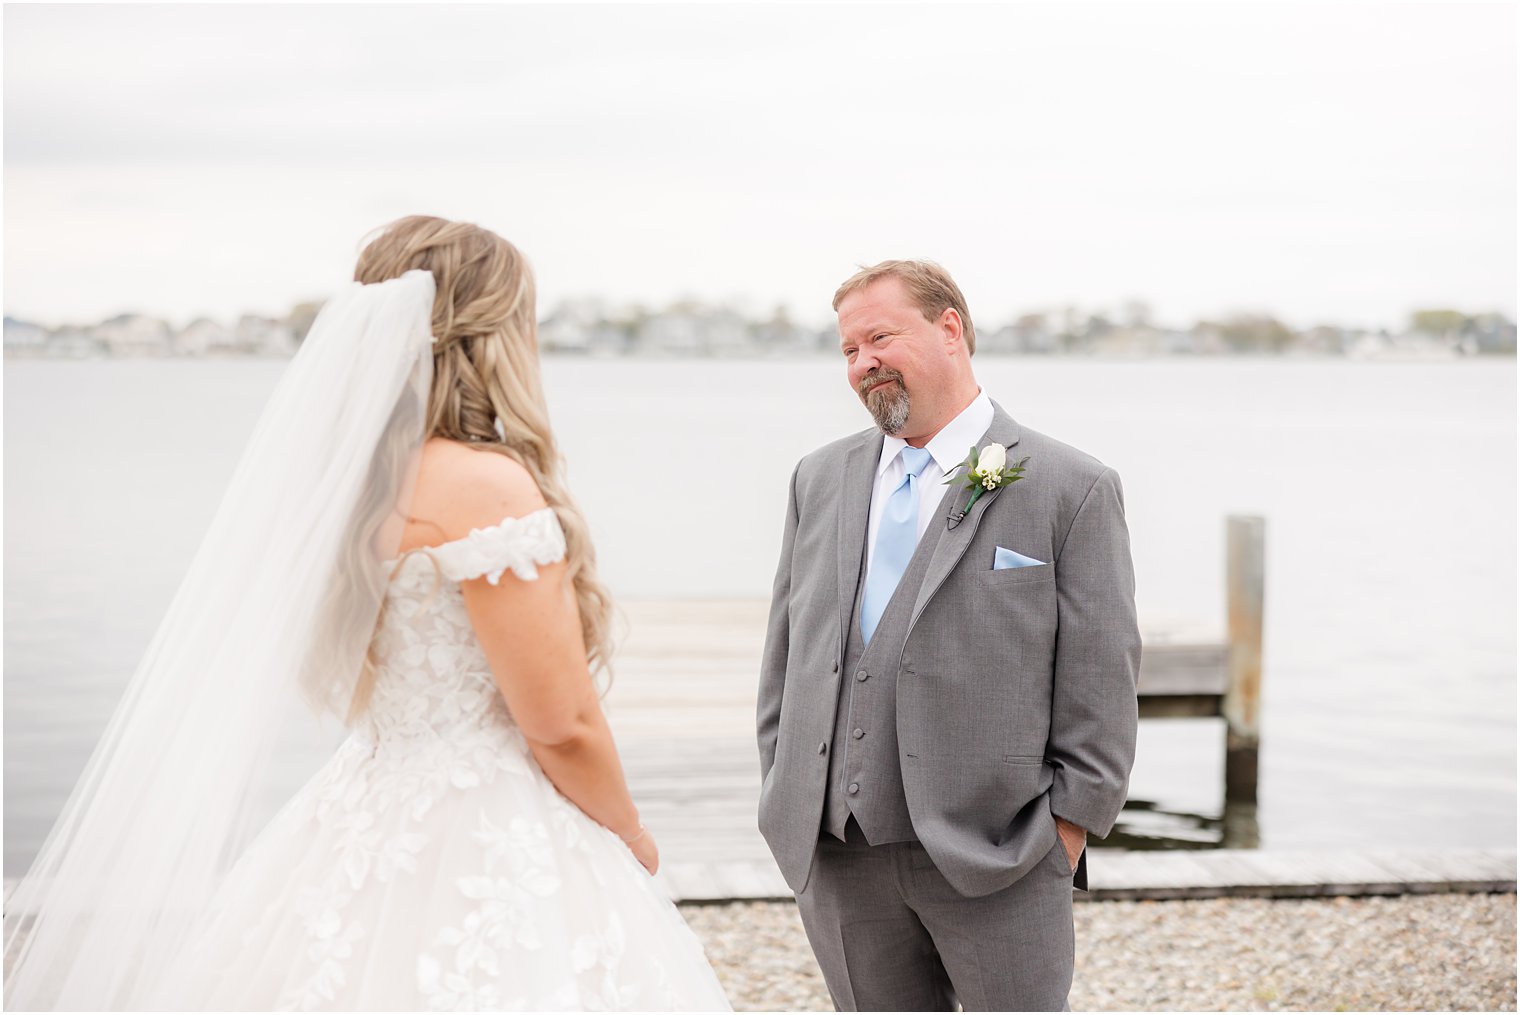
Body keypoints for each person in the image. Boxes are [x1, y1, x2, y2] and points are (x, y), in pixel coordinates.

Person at [4, 216, 730, 1011]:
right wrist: (628, 835)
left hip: (365, 792)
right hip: (483, 815)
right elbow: (560, 723)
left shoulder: (346, 488)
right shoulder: (485, 487)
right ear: (491, 333)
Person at [756, 260, 1140, 1011]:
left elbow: (1102, 673)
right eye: (848, 350)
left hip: (999, 853)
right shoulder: (820, 478)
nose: (863, 362)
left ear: (950, 329)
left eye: (879, 337)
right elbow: (785, 652)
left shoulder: (1070, 486)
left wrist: (1066, 829)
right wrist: (786, 787)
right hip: (839, 852)